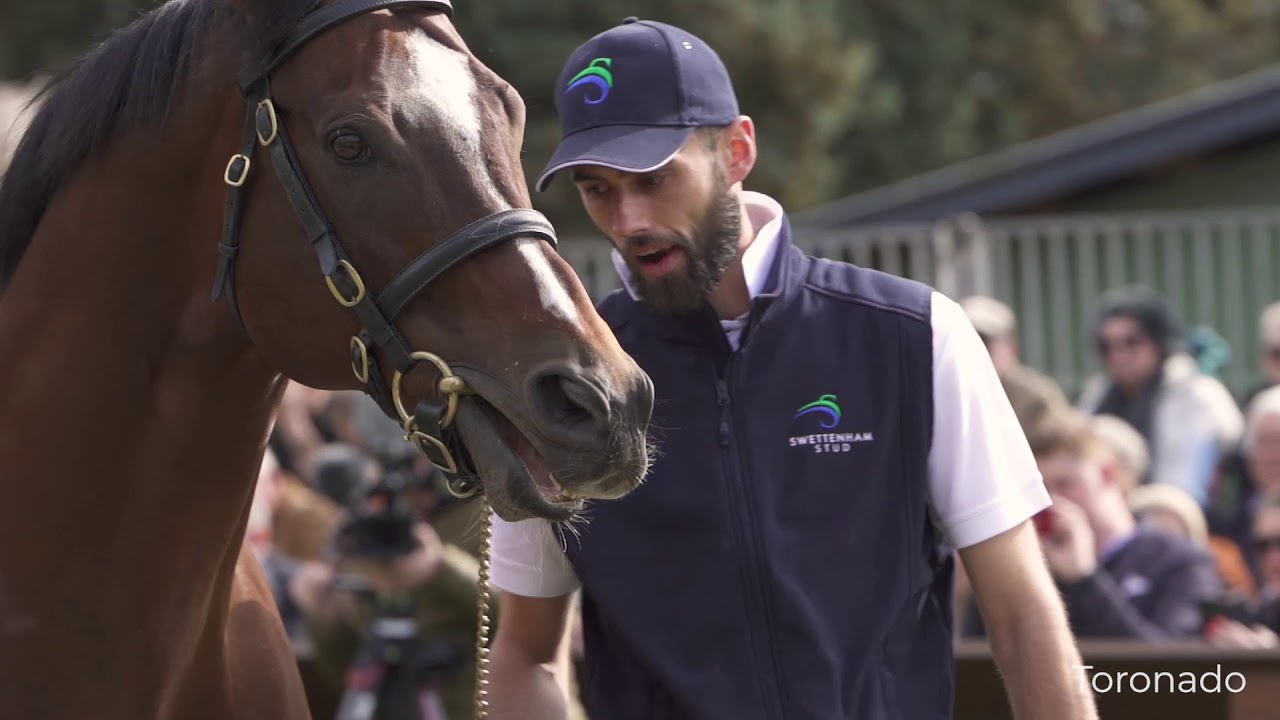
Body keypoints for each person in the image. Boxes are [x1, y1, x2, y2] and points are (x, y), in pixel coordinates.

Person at [485, 17, 1096, 720]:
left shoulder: (917, 335)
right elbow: (526, 653)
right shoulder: (561, 383)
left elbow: (1021, 614)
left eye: (653, 179)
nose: (628, 220)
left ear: (737, 151)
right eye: (598, 189)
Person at [969, 404, 1222, 642]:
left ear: (1107, 474)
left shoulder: (1179, 561)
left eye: (1064, 484)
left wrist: (1084, 581)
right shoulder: (1028, 564)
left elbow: (1171, 666)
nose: (1051, 501)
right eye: (1040, 490)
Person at [1076, 286, 1243, 505]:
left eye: (1131, 342)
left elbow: (1192, 481)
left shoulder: (1196, 393)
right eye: (1108, 346)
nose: (1119, 355)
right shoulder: (1097, 396)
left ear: (1158, 340)